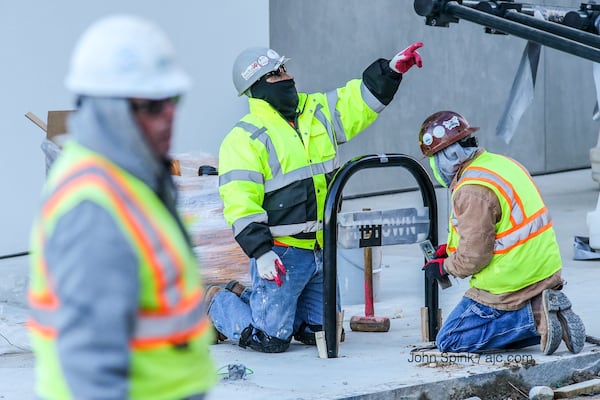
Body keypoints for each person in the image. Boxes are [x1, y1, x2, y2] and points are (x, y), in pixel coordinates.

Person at [27, 15, 217, 399]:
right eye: (150, 106)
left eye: (172, 100)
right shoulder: (93, 206)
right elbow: (91, 366)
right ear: (107, 110)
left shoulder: (129, 179)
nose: (168, 116)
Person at [206, 42, 424, 353]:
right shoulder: (244, 138)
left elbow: (355, 102)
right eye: (275, 74)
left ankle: (266, 303)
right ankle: (219, 302)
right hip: (283, 253)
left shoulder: (317, 111)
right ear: (256, 87)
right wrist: (261, 252)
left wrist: (390, 72)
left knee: (319, 332)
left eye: (284, 69)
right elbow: (239, 203)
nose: (286, 77)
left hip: (321, 249)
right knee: (271, 340)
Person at [419, 110, 586, 355]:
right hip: (545, 273)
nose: (434, 165)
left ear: (449, 154)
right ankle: (547, 314)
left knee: (450, 340)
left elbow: (474, 257)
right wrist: (450, 251)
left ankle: (536, 317)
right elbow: (497, 229)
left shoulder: (471, 189)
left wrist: (445, 268)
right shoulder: (501, 164)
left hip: (510, 285)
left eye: (433, 157)